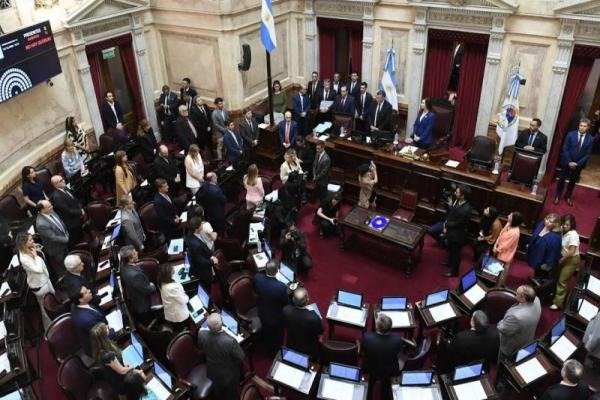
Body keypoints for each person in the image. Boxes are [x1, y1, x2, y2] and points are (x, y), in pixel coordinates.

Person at [90, 323, 146, 398]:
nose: (108, 327)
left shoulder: (99, 349)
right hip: (120, 381)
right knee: (141, 373)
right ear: (104, 336)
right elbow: (122, 371)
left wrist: (124, 365)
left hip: (114, 377)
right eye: (106, 328)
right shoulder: (107, 355)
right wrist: (132, 367)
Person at [198, 313, 245, 400]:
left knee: (219, 393)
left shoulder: (201, 334)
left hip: (212, 371)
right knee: (232, 395)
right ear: (222, 323)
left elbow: (201, 347)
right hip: (229, 375)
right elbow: (241, 357)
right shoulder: (230, 341)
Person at [361, 314, 408, 399]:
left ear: (377, 327)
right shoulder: (397, 340)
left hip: (370, 369)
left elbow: (363, 351)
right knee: (386, 388)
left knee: (370, 385)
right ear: (390, 327)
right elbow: (398, 353)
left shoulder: (367, 337)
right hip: (390, 370)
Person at [16, 232, 55, 329]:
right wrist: (36, 256)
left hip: (45, 280)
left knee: (52, 301)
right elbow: (38, 269)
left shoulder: (28, 248)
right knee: (45, 308)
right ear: (24, 244)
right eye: (30, 240)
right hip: (40, 286)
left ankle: (56, 319)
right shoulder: (24, 258)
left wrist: (36, 250)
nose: (33, 241)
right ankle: (50, 328)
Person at [555, 118, 594, 206]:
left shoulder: (591, 139)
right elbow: (565, 148)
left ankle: (568, 196)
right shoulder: (570, 134)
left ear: (588, 127)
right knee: (561, 179)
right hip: (567, 162)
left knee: (572, 181)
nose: (582, 128)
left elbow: (588, 154)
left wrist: (577, 164)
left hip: (578, 165)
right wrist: (569, 162)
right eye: (581, 125)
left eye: (584, 126)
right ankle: (558, 195)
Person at [497, 285, 541, 362]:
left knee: (503, 361)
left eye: (517, 294)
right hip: (527, 337)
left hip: (512, 346)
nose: (515, 295)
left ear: (523, 298)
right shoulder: (537, 300)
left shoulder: (516, 317)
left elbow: (503, 329)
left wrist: (500, 322)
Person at [254, 260, 289, 353]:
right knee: (277, 336)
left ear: (265, 269)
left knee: (267, 333)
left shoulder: (257, 277)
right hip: (276, 318)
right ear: (277, 271)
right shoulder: (281, 287)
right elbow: (286, 302)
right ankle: (276, 350)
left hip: (262, 312)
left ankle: (267, 347)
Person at [119, 246, 157, 325]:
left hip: (135, 295)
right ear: (130, 259)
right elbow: (147, 290)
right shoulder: (135, 276)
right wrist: (153, 286)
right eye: (134, 253)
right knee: (150, 323)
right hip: (144, 306)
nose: (137, 252)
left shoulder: (123, 266)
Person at [282, 288, 323, 359]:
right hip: (308, 350)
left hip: (291, 345)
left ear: (293, 299)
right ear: (307, 299)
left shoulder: (286, 310)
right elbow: (319, 334)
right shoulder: (314, 317)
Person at [551, 214, 581, 310]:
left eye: (567, 224)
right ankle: (553, 294)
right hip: (563, 257)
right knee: (556, 276)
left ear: (572, 225)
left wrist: (562, 259)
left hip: (571, 260)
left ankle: (558, 303)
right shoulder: (564, 231)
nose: (564, 226)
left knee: (562, 281)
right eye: (564, 223)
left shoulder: (573, 235)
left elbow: (571, 252)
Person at [70, 285, 109, 356]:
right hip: (99, 349)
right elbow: (103, 337)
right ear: (81, 300)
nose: (89, 291)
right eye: (86, 292)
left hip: (100, 327)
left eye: (87, 289)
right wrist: (113, 331)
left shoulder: (75, 304)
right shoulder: (88, 320)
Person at [442, 185, 472, 277]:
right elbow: (452, 213)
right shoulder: (458, 201)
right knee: (451, 249)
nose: (455, 193)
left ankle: (454, 272)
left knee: (456, 254)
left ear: (462, 196)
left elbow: (458, 223)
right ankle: (449, 262)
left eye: (457, 192)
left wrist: (447, 224)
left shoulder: (466, 209)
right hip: (452, 232)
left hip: (458, 235)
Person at [35, 200, 69, 273]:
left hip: (63, 241)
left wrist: (66, 233)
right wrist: (66, 239)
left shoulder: (50, 211)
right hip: (56, 249)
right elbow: (53, 237)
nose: (52, 207)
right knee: (64, 266)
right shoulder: (41, 224)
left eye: (51, 205)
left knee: (68, 260)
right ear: (42, 210)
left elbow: (60, 221)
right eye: (49, 206)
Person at [50, 174, 84, 246]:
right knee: (79, 242)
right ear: (55, 185)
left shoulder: (65, 188)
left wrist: (80, 208)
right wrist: (80, 211)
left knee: (82, 236)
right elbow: (68, 211)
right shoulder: (57, 197)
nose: (63, 181)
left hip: (77, 218)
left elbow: (74, 199)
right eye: (61, 181)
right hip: (72, 224)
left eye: (62, 179)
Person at [186, 217, 218, 292]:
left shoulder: (191, 235)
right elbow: (201, 261)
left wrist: (210, 255)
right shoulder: (196, 245)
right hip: (203, 272)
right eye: (201, 224)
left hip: (202, 261)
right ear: (197, 228)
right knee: (207, 289)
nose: (202, 225)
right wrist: (213, 262)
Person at [526, 213, 562, 278]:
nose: (547, 222)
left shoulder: (555, 237)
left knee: (539, 276)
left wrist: (547, 264)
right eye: (547, 219)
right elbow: (534, 235)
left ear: (556, 224)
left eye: (550, 221)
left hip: (543, 260)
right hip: (534, 253)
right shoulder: (541, 225)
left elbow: (553, 252)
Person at [157, 263, 190, 331]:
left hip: (170, 311)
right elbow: (183, 300)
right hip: (178, 315)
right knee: (180, 329)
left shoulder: (160, 281)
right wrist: (186, 296)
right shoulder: (173, 288)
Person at [493, 211, 523, 284]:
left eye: (510, 215)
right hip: (499, 249)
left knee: (501, 272)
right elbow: (501, 233)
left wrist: (497, 249)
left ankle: (498, 285)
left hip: (505, 255)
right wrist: (496, 244)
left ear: (514, 220)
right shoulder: (509, 223)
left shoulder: (515, 233)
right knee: (495, 269)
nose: (508, 215)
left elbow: (506, 245)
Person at [313, 140, 331, 205]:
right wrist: (314, 175)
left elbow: (324, 172)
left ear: (323, 148)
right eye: (316, 148)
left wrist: (316, 177)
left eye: (318, 149)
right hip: (317, 179)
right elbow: (314, 165)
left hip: (323, 181)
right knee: (319, 195)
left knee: (323, 196)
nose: (317, 150)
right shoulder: (317, 154)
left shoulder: (327, 159)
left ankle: (324, 207)